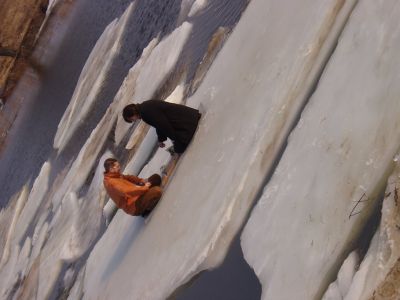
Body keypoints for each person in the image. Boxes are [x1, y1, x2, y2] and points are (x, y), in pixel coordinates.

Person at [122, 100, 201, 154]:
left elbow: (163, 124)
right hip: (190, 116)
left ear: (132, 114)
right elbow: (159, 124)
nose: (134, 120)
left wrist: (175, 140)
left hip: (188, 123)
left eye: (132, 119)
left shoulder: (144, 113)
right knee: (177, 147)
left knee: (179, 148)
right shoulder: (144, 107)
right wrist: (161, 139)